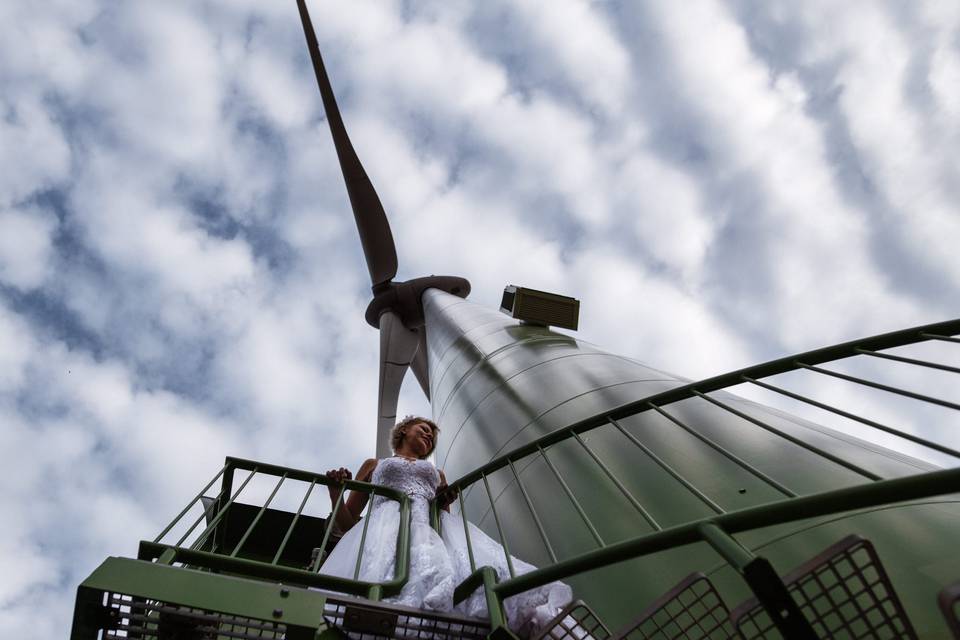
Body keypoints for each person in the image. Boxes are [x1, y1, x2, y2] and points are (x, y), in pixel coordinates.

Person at [320, 416, 572, 637]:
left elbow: (443, 514)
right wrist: (335, 493)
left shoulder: (437, 472)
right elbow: (348, 521)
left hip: (428, 526)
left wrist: (444, 500)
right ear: (404, 430)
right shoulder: (374, 464)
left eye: (432, 437)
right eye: (423, 429)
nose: (429, 436)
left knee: (482, 570)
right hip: (384, 526)